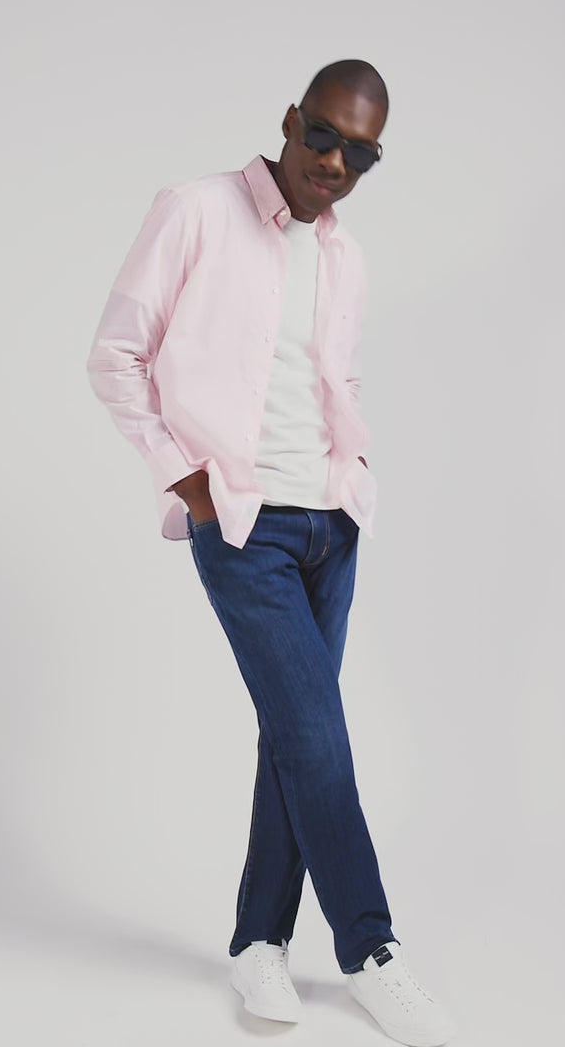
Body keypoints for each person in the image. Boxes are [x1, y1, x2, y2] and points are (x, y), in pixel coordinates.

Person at [87, 58, 455, 1046]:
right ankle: (372, 950)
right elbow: (115, 356)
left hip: (333, 522)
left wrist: (354, 468)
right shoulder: (195, 211)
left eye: (360, 154)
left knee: (293, 737)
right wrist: (188, 480)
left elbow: (334, 376)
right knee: (317, 739)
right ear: (291, 120)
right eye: (324, 136)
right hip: (244, 525)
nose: (334, 163)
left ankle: (259, 941)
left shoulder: (346, 255)